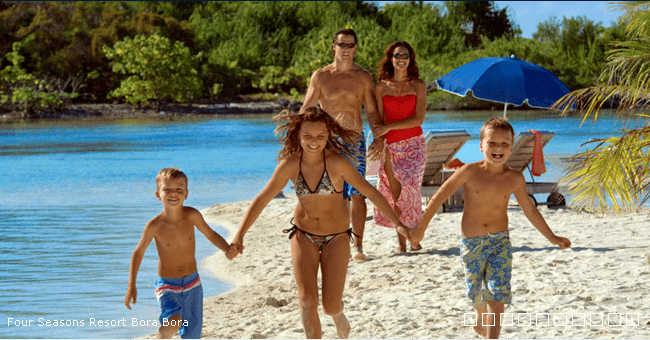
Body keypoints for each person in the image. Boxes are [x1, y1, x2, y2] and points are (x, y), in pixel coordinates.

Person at [229, 107, 409, 339]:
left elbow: (370, 193)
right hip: (303, 235)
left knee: (331, 306)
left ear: (328, 136)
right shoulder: (290, 164)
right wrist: (239, 235)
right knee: (307, 301)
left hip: (337, 238)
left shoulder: (338, 164)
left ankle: (338, 317)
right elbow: (262, 198)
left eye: (320, 136)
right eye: (308, 136)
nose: (314, 142)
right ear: (298, 136)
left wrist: (398, 223)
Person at [409, 117, 572, 339]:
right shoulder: (469, 172)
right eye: (492, 143)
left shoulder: (514, 178)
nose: (498, 148)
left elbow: (530, 211)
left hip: (499, 242)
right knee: (475, 292)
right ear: (481, 145)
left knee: (498, 293)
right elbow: (438, 198)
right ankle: (479, 313)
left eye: (505, 144)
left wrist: (552, 237)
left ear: (511, 147)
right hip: (471, 243)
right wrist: (420, 229)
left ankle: (492, 336)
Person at [300, 28, 383, 261]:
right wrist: (300, 138)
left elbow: (373, 111)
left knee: (358, 193)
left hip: (355, 140)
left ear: (355, 48)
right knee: (333, 195)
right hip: (328, 143)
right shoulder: (321, 76)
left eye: (350, 45)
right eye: (342, 45)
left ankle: (358, 246)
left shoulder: (363, 77)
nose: (346, 50)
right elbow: (306, 108)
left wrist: (378, 137)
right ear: (333, 47)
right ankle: (335, 241)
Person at [124, 167, 236, 339]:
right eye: (167, 190)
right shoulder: (155, 225)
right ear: (158, 195)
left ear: (186, 194)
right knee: (173, 322)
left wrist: (227, 249)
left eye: (179, 190)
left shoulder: (192, 215)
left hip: (193, 284)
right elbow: (138, 253)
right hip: (167, 286)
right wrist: (132, 285)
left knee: (192, 334)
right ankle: (161, 336)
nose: (173, 194)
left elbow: (211, 234)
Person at [371, 41, 427, 253]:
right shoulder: (381, 87)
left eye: (405, 55)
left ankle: (415, 236)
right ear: (390, 59)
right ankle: (404, 243)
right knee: (396, 193)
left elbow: (418, 119)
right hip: (390, 146)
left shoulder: (418, 85)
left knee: (411, 190)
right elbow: (378, 118)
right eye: (397, 55)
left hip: (415, 145)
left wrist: (388, 127)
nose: (401, 59)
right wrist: (379, 139)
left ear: (410, 59)